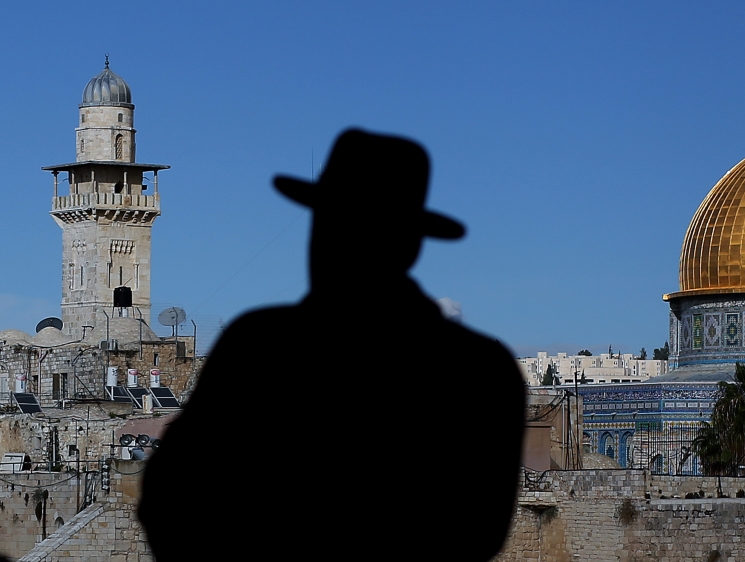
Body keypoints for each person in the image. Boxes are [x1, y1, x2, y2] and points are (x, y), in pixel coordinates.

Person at [139, 129, 526, 560]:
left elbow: (170, 500)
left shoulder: (260, 347)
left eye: (334, 224)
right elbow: (480, 531)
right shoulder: (482, 368)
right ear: (413, 242)